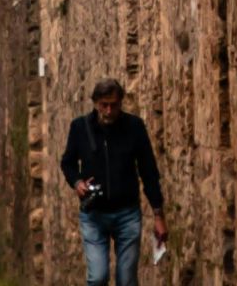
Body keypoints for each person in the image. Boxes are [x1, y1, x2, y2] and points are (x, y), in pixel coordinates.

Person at [60, 78, 167, 286]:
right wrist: (77, 182)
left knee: (127, 280)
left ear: (120, 103)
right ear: (95, 103)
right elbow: (67, 163)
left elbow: (149, 171)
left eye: (114, 105)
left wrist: (158, 214)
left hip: (127, 214)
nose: (109, 111)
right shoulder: (80, 127)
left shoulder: (134, 127)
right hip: (93, 215)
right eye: (104, 105)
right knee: (98, 277)